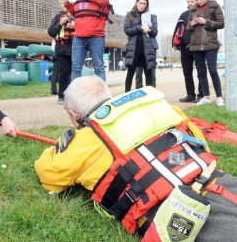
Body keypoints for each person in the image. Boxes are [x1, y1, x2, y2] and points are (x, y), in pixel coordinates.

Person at [35, 75, 237, 242]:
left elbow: (49, 175)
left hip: (172, 212)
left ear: (74, 115)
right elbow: (200, 142)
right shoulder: (161, 108)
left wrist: (66, 141)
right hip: (218, 181)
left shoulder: (85, 139)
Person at [62, 0, 111, 82]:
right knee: (76, 68)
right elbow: (78, 12)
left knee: (99, 68)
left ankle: (102, 98)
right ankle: (75, 98)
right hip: (79, 35)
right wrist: (67, 4)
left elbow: (101, 0)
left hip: (96, 34)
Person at [187, 0, 224, 106]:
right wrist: (192, 24)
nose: (198, 1)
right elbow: (188, 28)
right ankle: (206, 97)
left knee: (213, 70)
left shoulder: (214, 6)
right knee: (201, 72)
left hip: (211, 44)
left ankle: (219, 98)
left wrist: (206, 22)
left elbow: (222, 23)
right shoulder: (192, 9)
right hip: (196, 45)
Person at [172, 0, 203, 103]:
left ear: (197, 1)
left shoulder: (202, 13)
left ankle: (201, 95)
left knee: (201, 72)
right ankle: (190, 95)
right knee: (187, 72)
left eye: (192, 1)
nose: (189, 4)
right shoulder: (183, 15)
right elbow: (177, 29)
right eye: (188, 2)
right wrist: (174, 44)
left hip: (199, 47)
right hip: (185, 48)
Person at [123, 0, 158, 92]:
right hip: (134, 50)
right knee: (130, 74)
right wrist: (140, 28)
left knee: (149, 75)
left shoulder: (150, 16)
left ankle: (150, 97)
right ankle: (127, 95)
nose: (142, 5)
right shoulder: (129, 14)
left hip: (146, 50)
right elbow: (127, 30)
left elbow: (155, 33)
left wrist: (149, 30)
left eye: (144, 4)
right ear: (136, 3)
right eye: (140, 3)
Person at [48, 0, 74, 104]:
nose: (65, 4)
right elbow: (51, 32)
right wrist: (60, 24)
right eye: (63, 2)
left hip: (76, 48)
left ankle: (73, 95)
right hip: (62, 49)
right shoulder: (57, 17)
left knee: (75, 73)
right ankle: (61, 95)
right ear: (60, 4)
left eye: (67, 2)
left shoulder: (76, 16)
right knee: (64, 73)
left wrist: (75, 26)